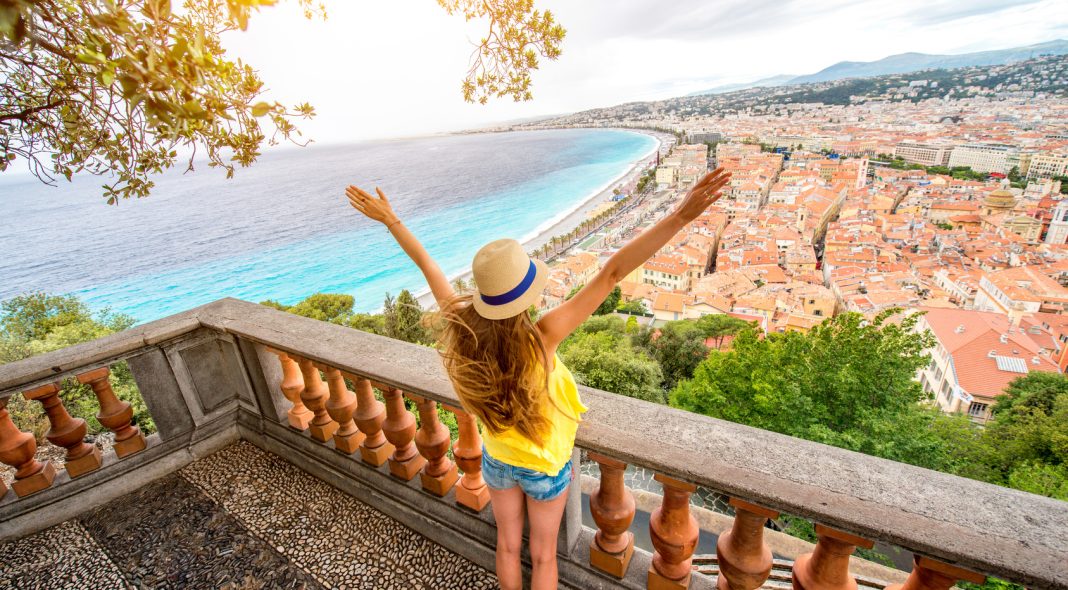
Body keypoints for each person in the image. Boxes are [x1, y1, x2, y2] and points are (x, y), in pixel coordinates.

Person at [345, 167, 731, 590]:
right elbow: (612, 273)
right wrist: (679, 217)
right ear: (526, 295)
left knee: (508, 547)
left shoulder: (466, 333)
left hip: (496, 460)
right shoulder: (543, 338)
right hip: (544, 466)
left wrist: (392, 220)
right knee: (543, 556)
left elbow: (427, 265)